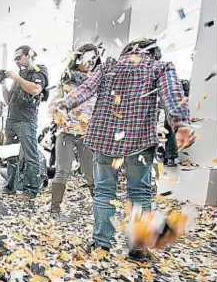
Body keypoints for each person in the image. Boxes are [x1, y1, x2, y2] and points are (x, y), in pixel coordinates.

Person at [54, 38, 195, 260]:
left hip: (104, 138)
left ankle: (101, 244)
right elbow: (172, 95)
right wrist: (181, 124)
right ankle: (138, 247)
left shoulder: (109, 66)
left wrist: (62, 106)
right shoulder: (158, 67)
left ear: (127, 51)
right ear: (154, 53)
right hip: (139, 139)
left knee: (104, 192)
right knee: (139, 192)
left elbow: (85, 90)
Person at [49, 43, 100, 222]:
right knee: (63, 170)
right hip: (67, 132)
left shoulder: (98, 81)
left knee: (91, 173)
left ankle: (100, 212)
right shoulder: (66, 80)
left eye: (94, 58)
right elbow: (54, 104)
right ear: (78, 58)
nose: (91, 61)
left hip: (87, 134)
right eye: (88, 57)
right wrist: (59, 113)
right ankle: (54, 210)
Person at [1, 45, 49, 200]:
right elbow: (9, 100)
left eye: (18, 57)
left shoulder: (39, 70)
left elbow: (35, 90)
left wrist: (16, 78)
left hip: (26, 120)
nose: (16, 61)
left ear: (29, 55)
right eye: (14, 58)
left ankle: (30, 190)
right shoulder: (20, 76)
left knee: (30, 156)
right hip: (12, 119)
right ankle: (11, 186)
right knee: (11, 155)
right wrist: (3, 84)